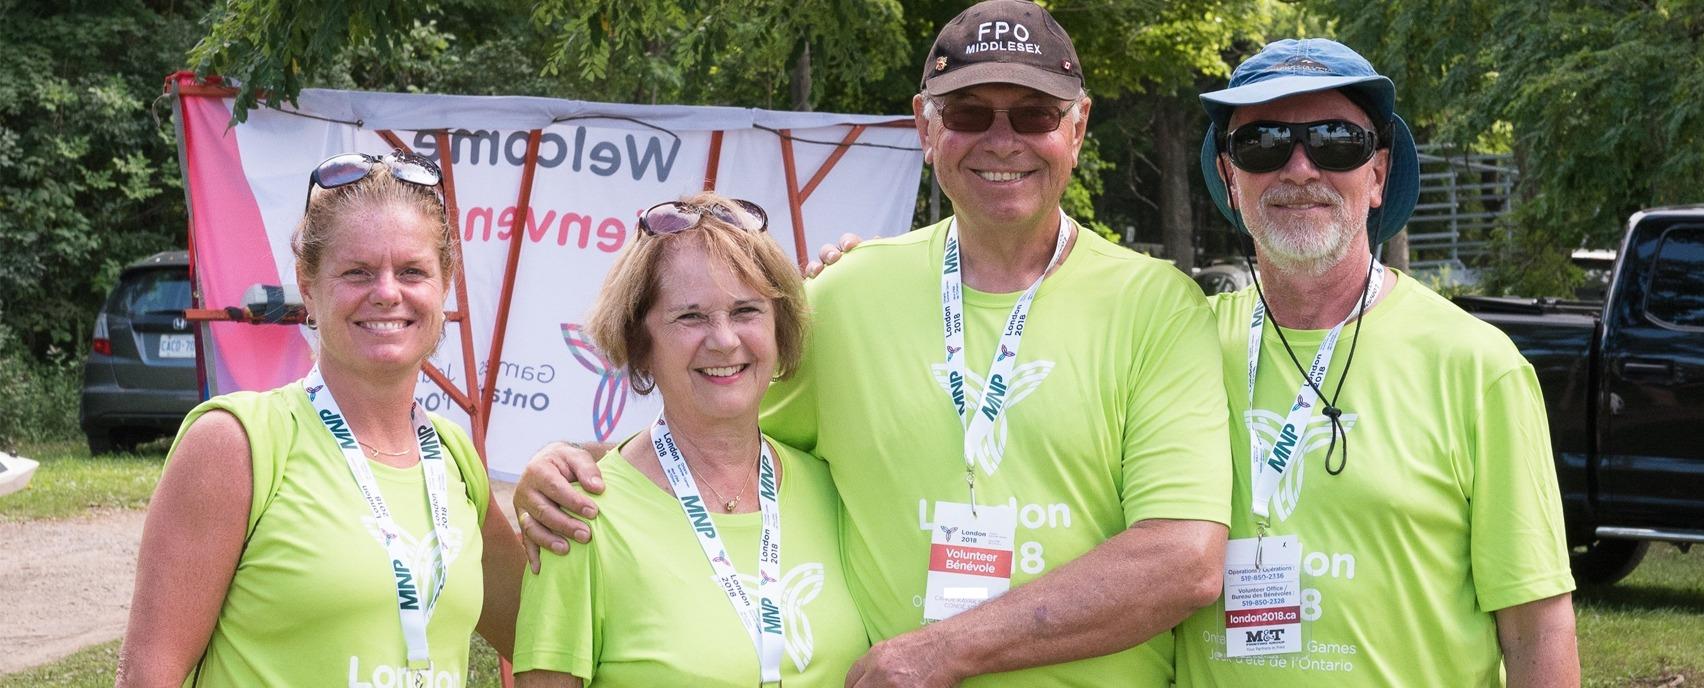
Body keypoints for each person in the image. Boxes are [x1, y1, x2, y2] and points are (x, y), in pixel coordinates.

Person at [513, 1, 1234, 685]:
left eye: (1036, 114)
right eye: (970, 113)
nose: (1002, 140)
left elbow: (1182, 560)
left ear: (1077, 128)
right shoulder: (844, 296)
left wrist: (947, 651)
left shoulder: (1157, 306)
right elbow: (715, 428)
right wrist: (578, 464)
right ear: (926, 126)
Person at [1170, 38, 1579, 686]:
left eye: (1335, 140)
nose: (1300, 167)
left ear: (1379, 173)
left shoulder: (1477, 366)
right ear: (1228, 175)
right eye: (1264, 142)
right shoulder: (1177, 353)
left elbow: (1537, 628)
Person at [117, 152, 524, 686]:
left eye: (412, 271)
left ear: (445, 286)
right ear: (308, 286)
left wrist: (571, 473)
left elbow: (540, 629)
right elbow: (149, 675)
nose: (386, 292)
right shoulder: (237, 443)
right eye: (357, 272)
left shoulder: (450, 456)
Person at [510, 193, 868, 686]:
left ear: (780, 329)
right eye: (690, 317)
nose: (723, 340)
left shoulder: (834, 489)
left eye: (746, 311)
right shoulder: (580, 514)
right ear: (640, 343)